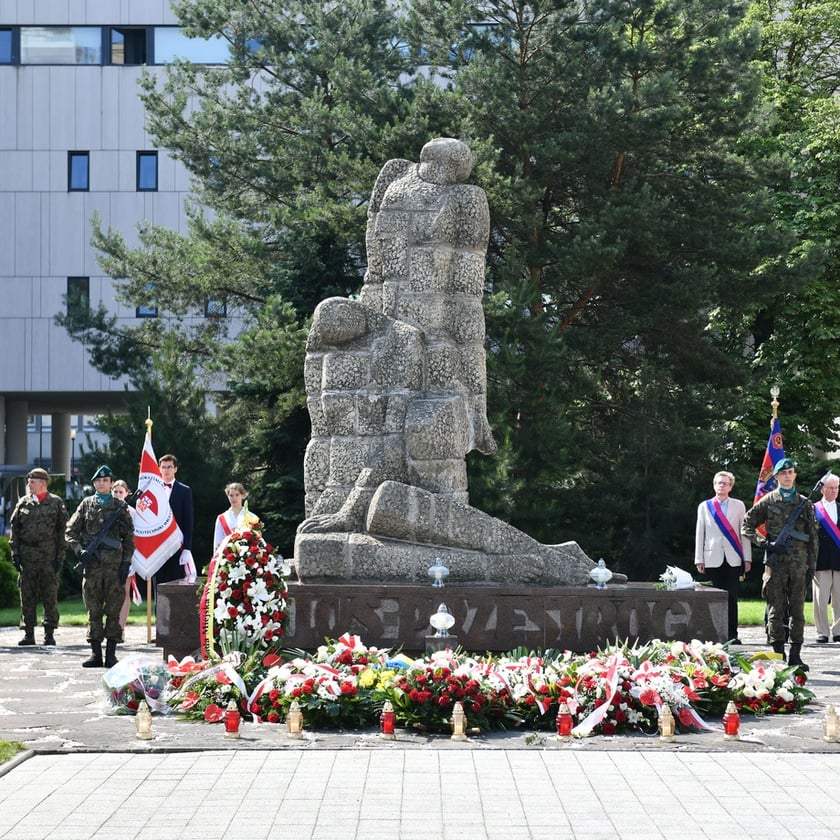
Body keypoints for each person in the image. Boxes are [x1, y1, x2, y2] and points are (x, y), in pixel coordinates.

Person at [742, 457, 819, 670]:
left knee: (798, 610)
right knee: (775, 609)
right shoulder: (768, 501)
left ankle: (795, 654)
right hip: (775, 564)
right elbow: (746, 525)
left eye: (790, 472)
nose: (787, 475)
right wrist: (766, 544)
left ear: (794, 475)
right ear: (776, 477)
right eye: (783, 473)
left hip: (798, 565)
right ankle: (778, 654)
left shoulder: (805, 503)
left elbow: (813, 536)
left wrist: (811, 565)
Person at [65, 465, 135, 668]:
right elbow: (70, 531)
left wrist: (126, 563)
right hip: (92, 567)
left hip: (114, 568)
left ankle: (111, 654)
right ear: (94, 483)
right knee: (93, 610)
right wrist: (80, 551)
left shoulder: (120, 507)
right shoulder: (86, 505)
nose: (102, 483)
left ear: (111, 483)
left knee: (114, 610)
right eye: (98, 480)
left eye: (105, 480)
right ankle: (95, 654)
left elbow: (129, 538)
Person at [8, 468, 68, 646]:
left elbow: (62, 531)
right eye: (29, 482)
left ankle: (49, 633)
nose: (29, 485)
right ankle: (28, 633)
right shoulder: (23, 503)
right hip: (27, 556)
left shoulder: (56, 503)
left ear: (43, 483)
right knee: (26, 594)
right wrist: (15, 553)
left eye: (32, 482)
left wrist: (60, 556)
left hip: (48, 556)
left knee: (50, 594)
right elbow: (15, 530)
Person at [694, 470, 752, 644]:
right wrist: (699, 558)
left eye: (725, 483)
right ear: (714, 485)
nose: (721, 485)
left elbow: (744, 533)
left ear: (730, 487)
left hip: (733, 557)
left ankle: (732, 634)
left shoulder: (739, 505)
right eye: (719, 482)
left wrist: (747, 558)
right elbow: (700, 533)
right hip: (712, 557)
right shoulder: (705, 506)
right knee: (714, 597)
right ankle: (715, 633)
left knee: (732, 597)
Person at [153, 454, 196, 582]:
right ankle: (158, 604)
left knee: (175, 584)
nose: (166, 470)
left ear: (175, 469)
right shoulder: (153, 490)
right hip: (157, 545)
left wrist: (187, 549)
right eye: (164, 467)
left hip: (177, 544)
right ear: (159, 469)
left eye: (169, 467)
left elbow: (189, 522)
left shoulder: (184, 490)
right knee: (158, 585)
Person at [812, 473, 840, 643]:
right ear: (822, 489)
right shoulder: (813, 509)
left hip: (839, 559)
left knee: (839, 598)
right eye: (830, 488)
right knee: (820, 599)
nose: (834, 491)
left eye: (836, 488)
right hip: (820, 560)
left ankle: (838, 631)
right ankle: (822, 631)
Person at [112, 480, 139, 639]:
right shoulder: (105, 510)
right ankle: (109, 627)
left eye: (120, 492)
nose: (117, 495)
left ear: (127, 493)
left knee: (123, 593)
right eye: (115, 492)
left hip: (125, 556)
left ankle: (120, 629)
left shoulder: (132, 512)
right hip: (107, 558)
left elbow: (135, 537)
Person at [213, 483, 260, 551]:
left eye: (237, 495)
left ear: (242, 495)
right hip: (226, 558)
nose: (234, 498)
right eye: (231, 495)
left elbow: (257, 541)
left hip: (247, 557)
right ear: (227, 496)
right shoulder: (221, 518)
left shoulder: (252, 517)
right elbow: (217, 543)